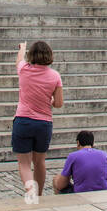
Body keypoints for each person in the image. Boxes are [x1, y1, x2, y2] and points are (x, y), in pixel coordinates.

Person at [13, 41, 63, 199]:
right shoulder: (55, 76)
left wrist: (22, 48)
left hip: (23, 120)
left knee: (24, 163)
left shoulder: (24, 70)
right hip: (43, 123)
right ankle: (39, 195)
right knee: (40, 161)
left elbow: (19, 60)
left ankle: (31, 193)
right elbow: (59, 103)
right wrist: (50, 101)